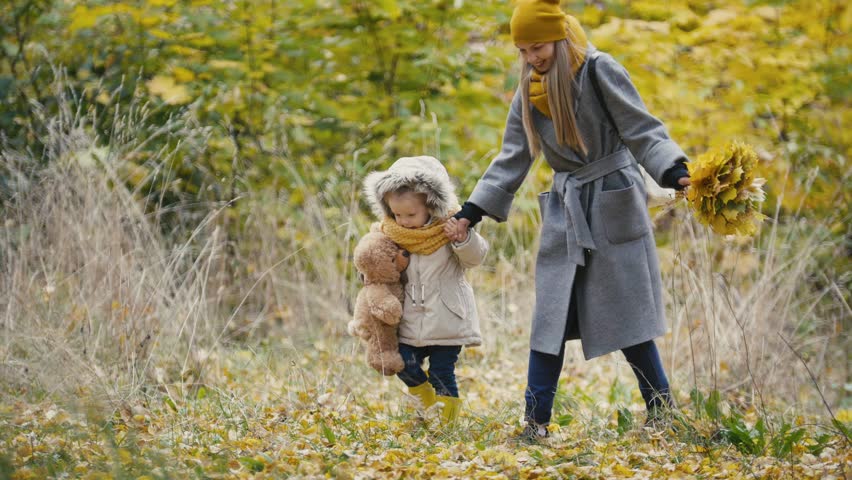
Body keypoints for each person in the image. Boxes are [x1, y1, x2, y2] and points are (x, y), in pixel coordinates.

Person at [445, 0, 691, 440]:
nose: (531, 58)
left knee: (628, 315)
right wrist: (472, 212)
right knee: (551, 317)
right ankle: (534, 423)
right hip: (566, 205)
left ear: (557, 37)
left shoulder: (599, 70)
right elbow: (511, 158)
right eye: (523, 50)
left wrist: (674, 170)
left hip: (614, 201)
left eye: (537, 47)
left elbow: (642, 129)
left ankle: (663, 413)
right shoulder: (528, 90)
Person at [364, 156, 489, 425]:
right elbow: (375, 270)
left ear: (432, 206)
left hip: (446, 317)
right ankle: (426, 401)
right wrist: (393, 265)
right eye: (397, 214)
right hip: (410, 317)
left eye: (411, 214)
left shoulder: (450, 229)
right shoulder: (390, 234)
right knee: (402, 362)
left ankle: (447, 423)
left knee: (442, 372)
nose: (404, 221)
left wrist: (463, 239)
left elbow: (475, 258)